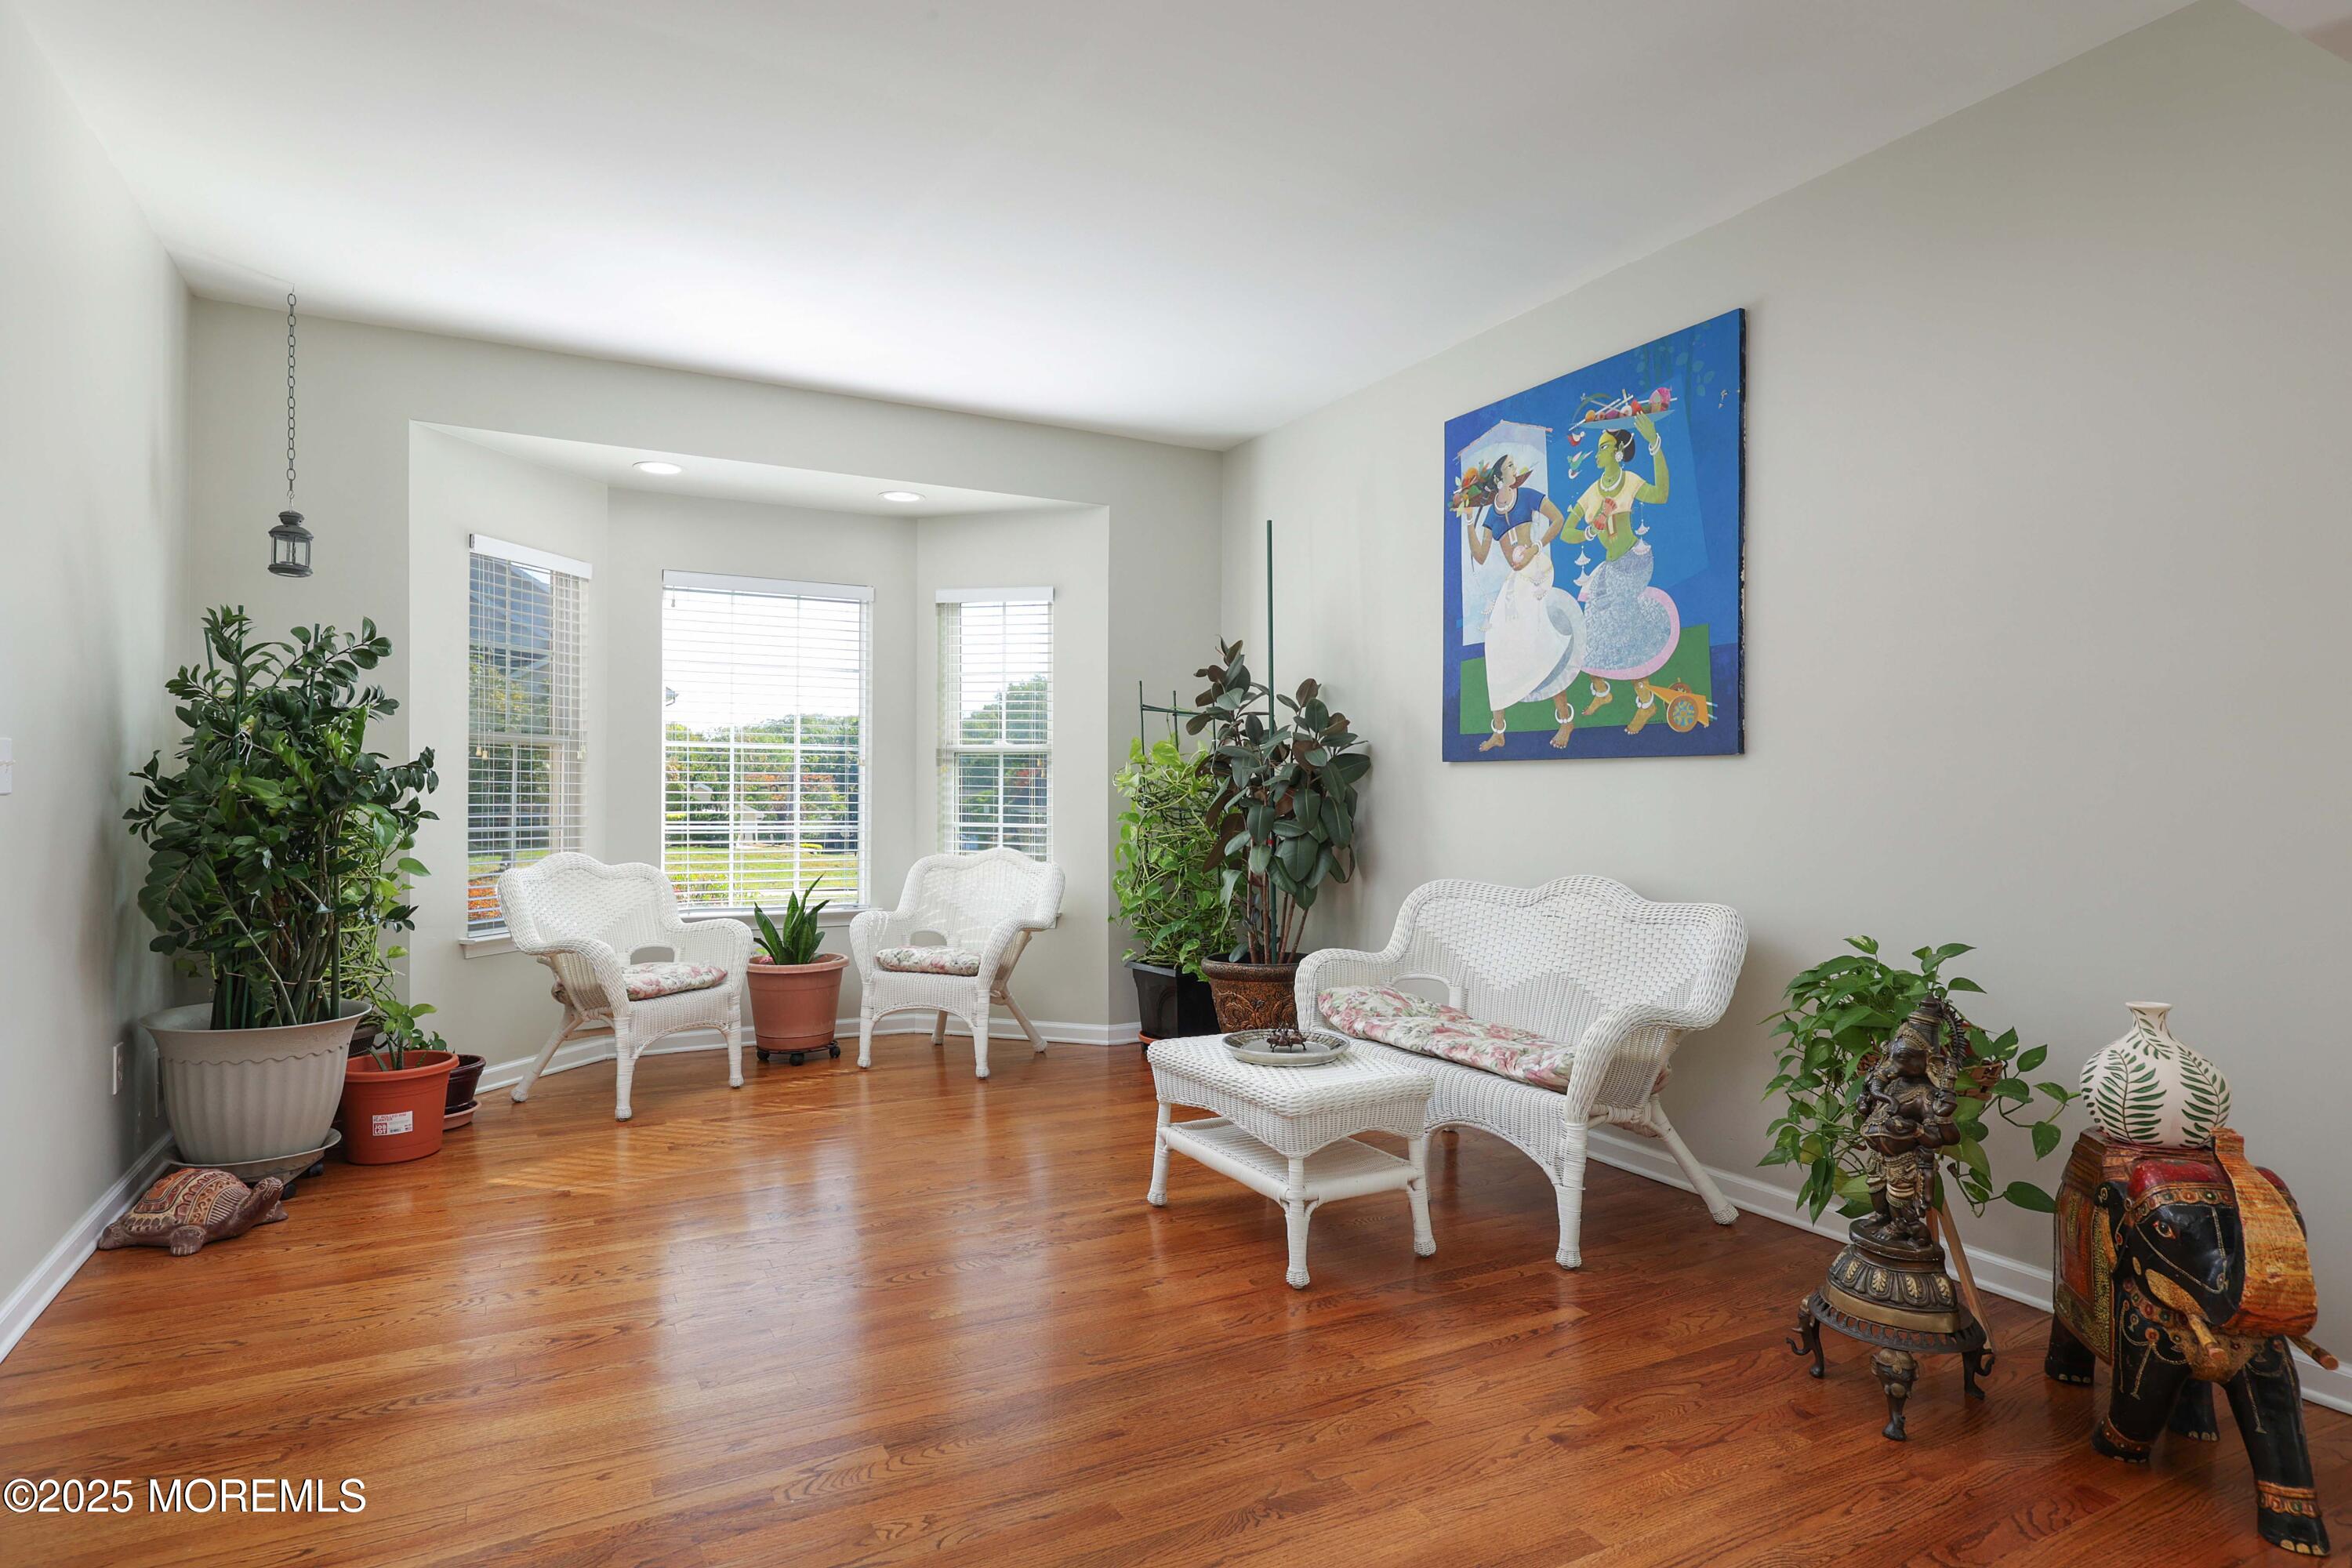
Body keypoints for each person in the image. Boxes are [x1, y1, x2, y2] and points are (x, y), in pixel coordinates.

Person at [1457, 457, 1585, 750]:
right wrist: (1468, 521)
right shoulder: (1491, 515)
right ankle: (1499, 731)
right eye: (1511, 467)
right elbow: (1480, 555)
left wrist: (1535, 548)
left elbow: (1558, 520)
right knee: (1495, 645)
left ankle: (1566, 721)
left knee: (1542, 640)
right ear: (1499, 479)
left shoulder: (1527, 496)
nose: (1516, 470)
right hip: (1514, 584)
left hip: (1537, 572)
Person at [1570, 411, 1677, 679]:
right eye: (1597, 449)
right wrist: (1589, 533)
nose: (1597, 454)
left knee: (1619, 620)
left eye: (1603, 447)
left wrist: (1655, 444)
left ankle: (1643, 696)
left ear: (1618, 451)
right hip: (1610, 567)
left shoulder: (1630, 482)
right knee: (1593, 619)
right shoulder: (1592, 492)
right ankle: (1602, 690)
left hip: (1634, 562)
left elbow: (1662, 494)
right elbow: (1566, 533)